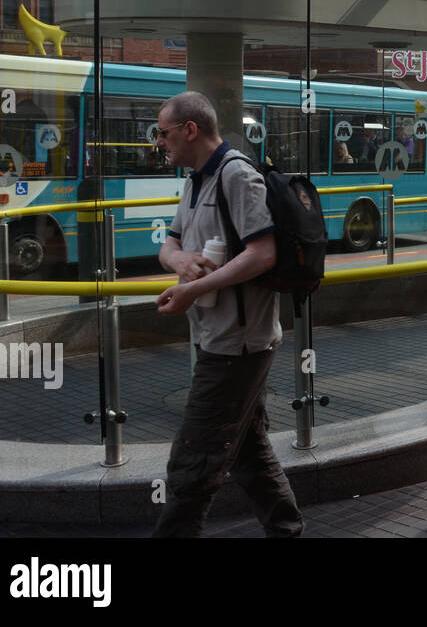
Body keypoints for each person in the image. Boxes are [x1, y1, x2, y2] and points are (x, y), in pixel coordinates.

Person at [151, 91, 304, 538]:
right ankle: (287, 530)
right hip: (216, 337)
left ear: (189, 130)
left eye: (163, 133)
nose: (160, 142)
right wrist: (181, 263)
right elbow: (169, 244)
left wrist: (194, 288)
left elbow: (263, 253)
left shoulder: (236, 175)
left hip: (239, 344)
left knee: (191, 465)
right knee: (248, 453)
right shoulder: (196, 178)